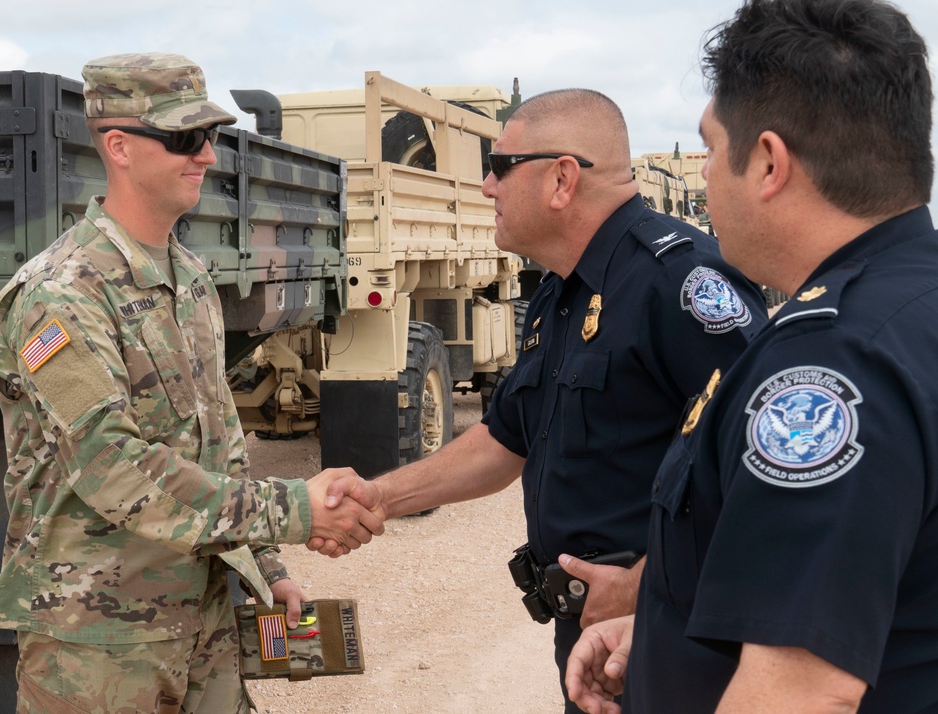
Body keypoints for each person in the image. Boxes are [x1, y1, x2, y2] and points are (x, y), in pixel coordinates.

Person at [316, 87, 768, 711]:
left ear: (562, 179)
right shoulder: (560, 295)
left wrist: (650, 588)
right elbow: (507, 440)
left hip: (670, 641)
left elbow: (764, 473)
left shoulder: (681, 284)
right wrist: (379, 497)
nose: (485, 187)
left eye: (499, 167)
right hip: (587, 638)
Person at [0, 52, 382, 713]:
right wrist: (294, 511)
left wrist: (266, 565)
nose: (208, 157)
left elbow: (218, 446)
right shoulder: (61, 295)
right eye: (185, 139)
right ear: (120, 146)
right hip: (100, 650)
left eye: (211, 137)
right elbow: (114, 467)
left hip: (204, 625)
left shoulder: (190, 279)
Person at [565, 1, 938, 712]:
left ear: (768, 161)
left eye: (708, 149)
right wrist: (668, 637)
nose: (702, 174)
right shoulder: (912, 303)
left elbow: (801, 693)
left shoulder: (832, 366)